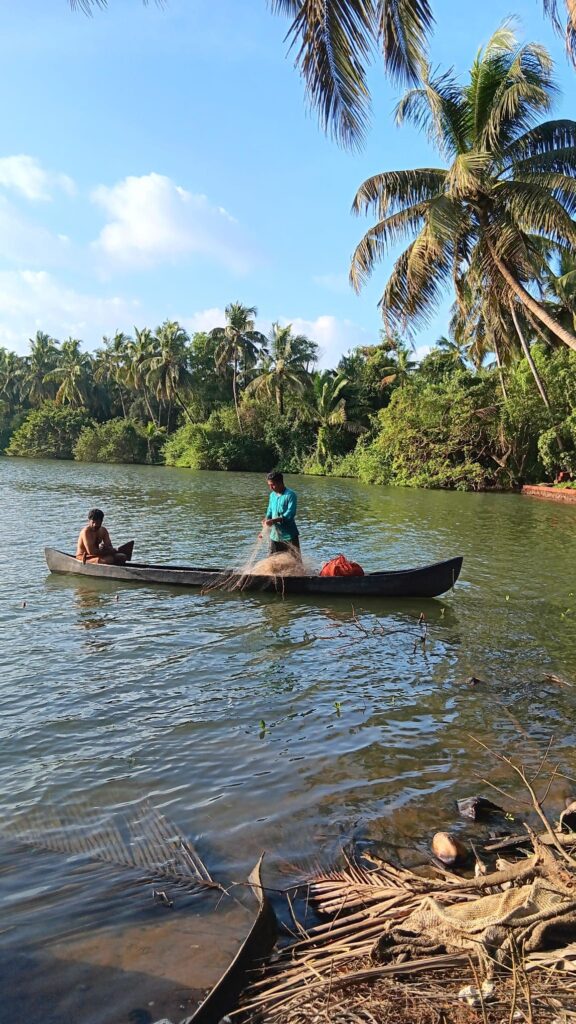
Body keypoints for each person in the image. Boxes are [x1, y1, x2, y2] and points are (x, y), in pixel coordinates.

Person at [262, 471, 300, 555]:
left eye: (273, 485)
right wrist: (266, 520)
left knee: (295, 562)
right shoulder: (272, 495)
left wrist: (274, 520)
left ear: (280, 483)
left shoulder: (290, 495)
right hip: (275, 535)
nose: (271, 487)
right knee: (272, 562)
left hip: (289, 535)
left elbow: (291, 513)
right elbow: (270, 511)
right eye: (269, 485)